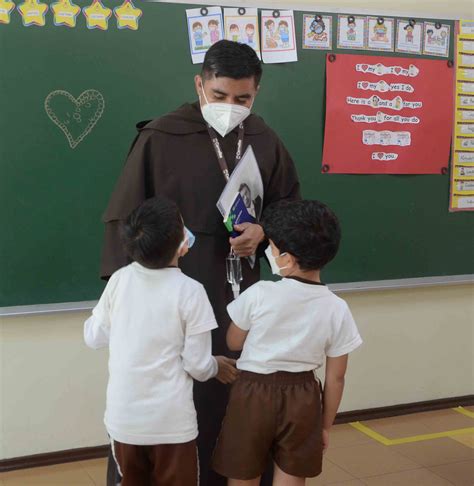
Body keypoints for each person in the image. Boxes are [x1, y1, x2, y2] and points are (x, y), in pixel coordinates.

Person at [101, 40, 300, 486]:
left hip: (241, 295)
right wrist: (127, 300)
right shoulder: (160, 135)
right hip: (169, 293)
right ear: (200, 84)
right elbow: (125, 217)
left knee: (233, 394)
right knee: (168, 393)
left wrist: (263, 230)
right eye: (220, 95)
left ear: (256, 93)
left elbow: (290, 206)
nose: (231, 106)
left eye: (243, 99)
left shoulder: (265, 139)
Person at [85, 197, 238, 485]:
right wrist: (216, 366)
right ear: (182, 244)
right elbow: (198, 366)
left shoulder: (119, 280)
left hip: (124, 421)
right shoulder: (191, 291)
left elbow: (94, 337)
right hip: (171, 425)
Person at [212, 200, 363, 486]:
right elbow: (337, 377)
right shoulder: (336, 307)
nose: (268, 251)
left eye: (270, 246)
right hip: (303, 396)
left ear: (288, 259)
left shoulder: (260, 293)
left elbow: (233, 341)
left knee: (243, 474)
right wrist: (325, 426)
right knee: (291, 476)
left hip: (252, 393)